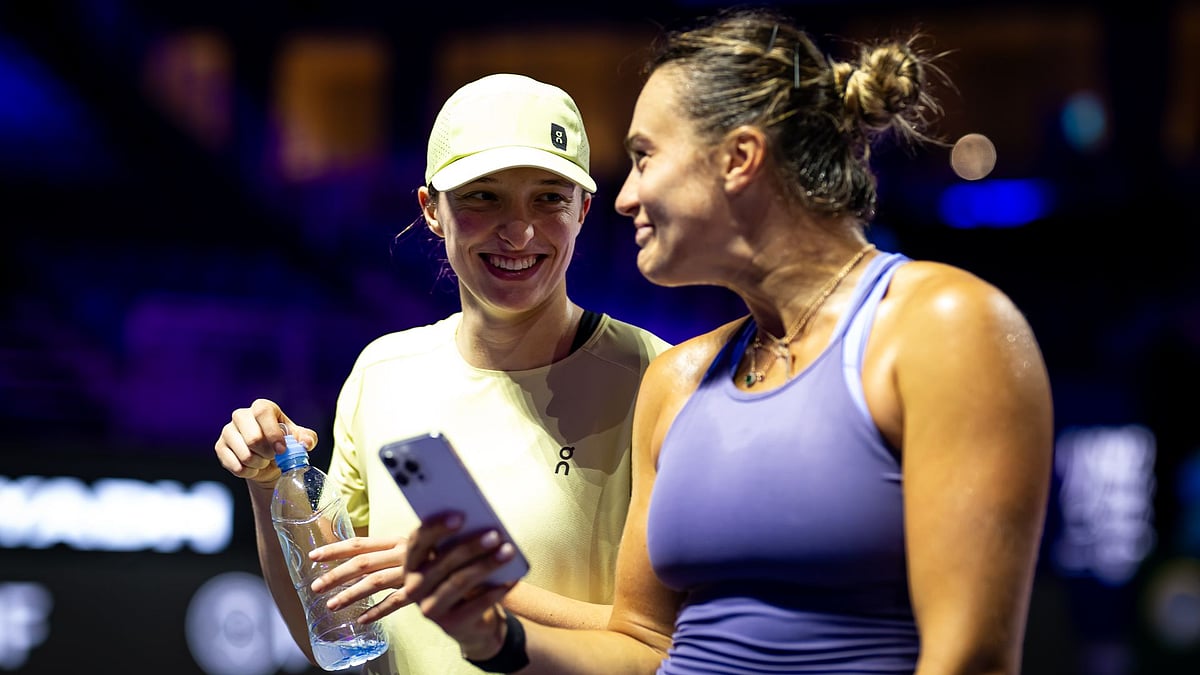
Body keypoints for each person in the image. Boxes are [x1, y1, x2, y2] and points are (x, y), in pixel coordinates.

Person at [393, 7, 1055, 674]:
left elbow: (970, 658)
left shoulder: (947, 326)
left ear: (739, 158)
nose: (624, 197)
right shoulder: (676, 380)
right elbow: (643, 644)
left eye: (645, 157)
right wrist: (493, 633)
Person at [213, 72, 672, 674]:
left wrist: (472, 588)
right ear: (431, 210)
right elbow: (335, 636)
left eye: (549, 198)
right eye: (483, 196)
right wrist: (271, 483)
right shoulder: (381, 374)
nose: (519, 231)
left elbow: (675, 643)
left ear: (583, 210)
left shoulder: (657, 378)